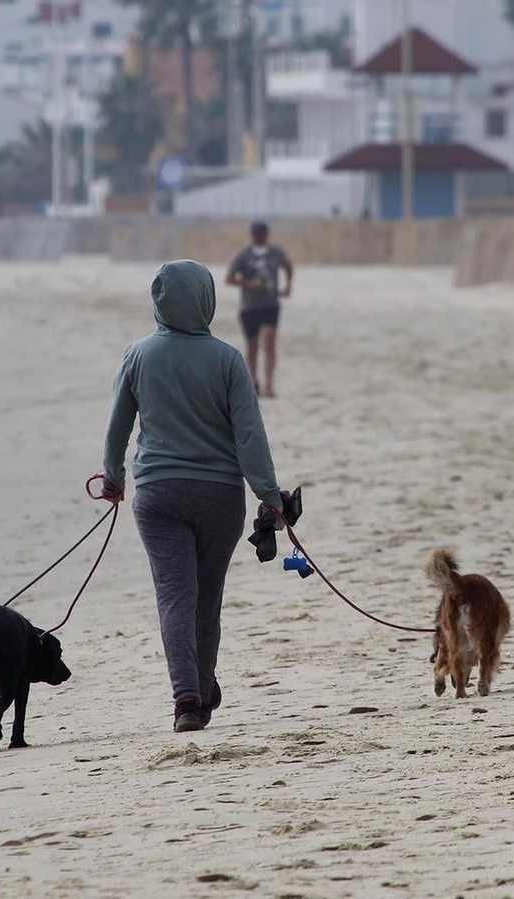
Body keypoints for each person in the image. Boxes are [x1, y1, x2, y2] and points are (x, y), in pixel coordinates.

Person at [102, 260, 284, 733]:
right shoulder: (228, 360)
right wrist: (269, 494)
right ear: (206, 300)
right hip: (220, 496)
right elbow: (249, 436)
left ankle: (187, 699)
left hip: (158, 495)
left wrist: (113, 478)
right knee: (206, 599)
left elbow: (117, 427)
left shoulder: (138, 355)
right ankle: (201, 690)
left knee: (175, 598)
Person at [224, 221, 293, 397]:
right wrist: (249, 284)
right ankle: (253, 382)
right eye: (257, 234)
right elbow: (229, 278)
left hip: (270, 305)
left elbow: (288, 265)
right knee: (252, 346)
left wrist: (287, 286)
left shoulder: (275, 252)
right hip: (249, 307)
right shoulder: (243, 254)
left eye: (262, 234)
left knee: (269, 343)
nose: (260, 237)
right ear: (252, 235)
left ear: (266, 235)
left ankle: (269, 383)